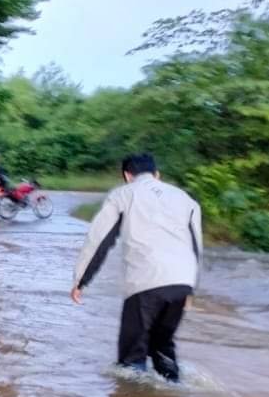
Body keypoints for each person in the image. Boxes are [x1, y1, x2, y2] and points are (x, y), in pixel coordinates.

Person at [71, 153, 202, 382]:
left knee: (131, 360)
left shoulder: (123, 195)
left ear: (127, 175)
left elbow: (99, 240)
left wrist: (81, 280)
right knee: (162, 346)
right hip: (182, 282)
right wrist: (191, 288)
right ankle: (171, 392)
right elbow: (196, 245)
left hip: (145, 282)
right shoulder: (185, 199)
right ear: (157, 174)